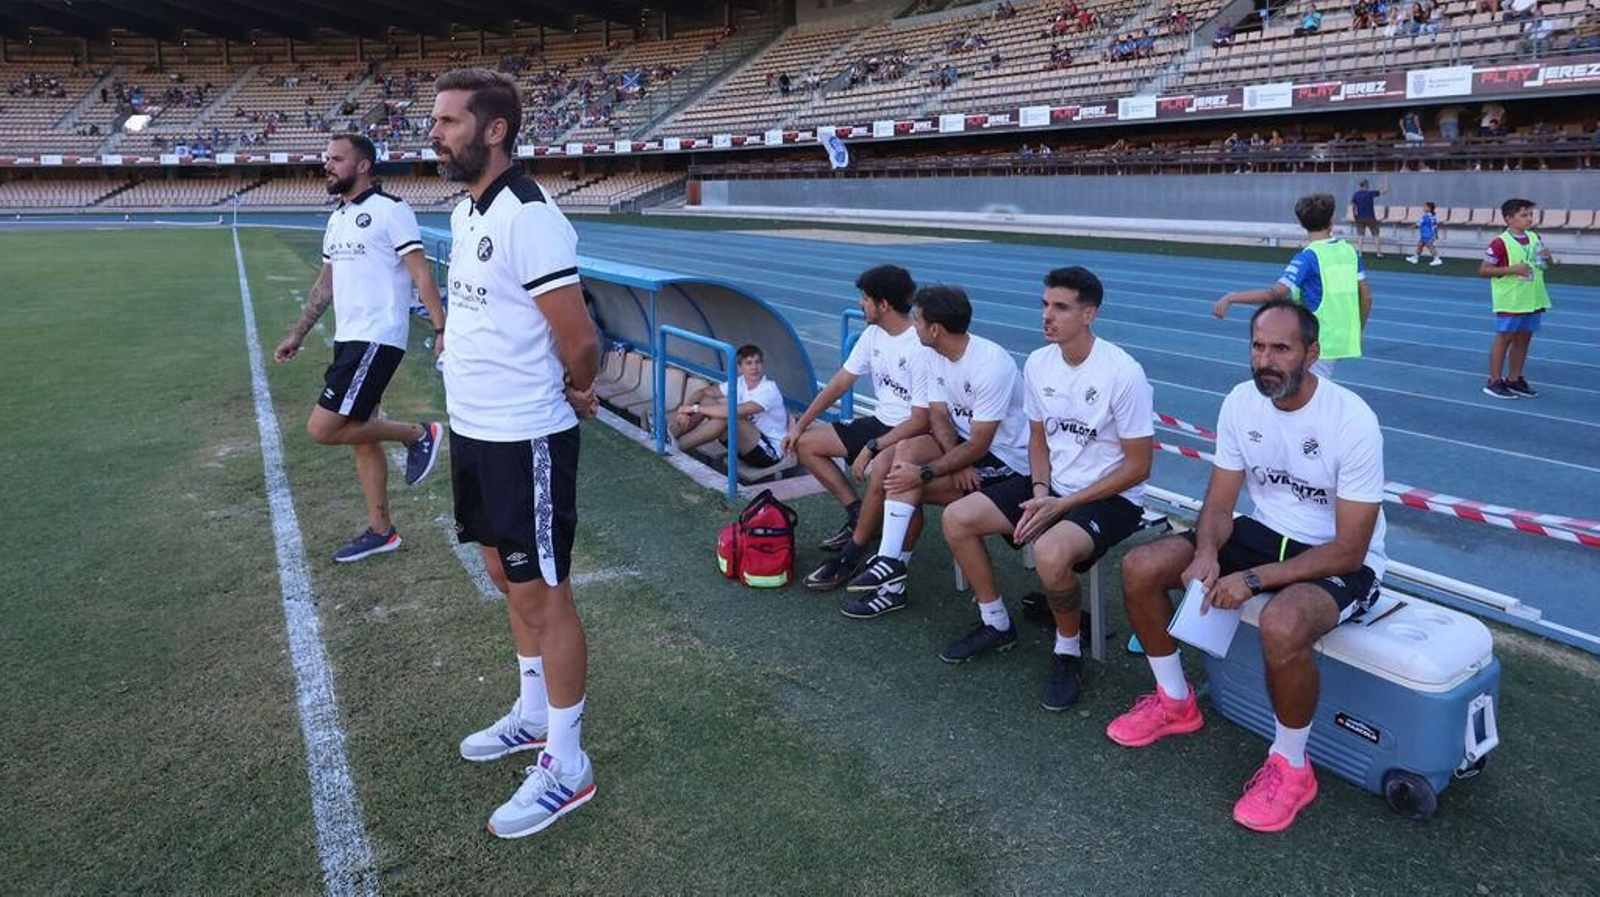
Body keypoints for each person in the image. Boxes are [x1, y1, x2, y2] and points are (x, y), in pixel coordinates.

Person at [1110, 299, 1388, 834]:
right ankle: (1175, 702)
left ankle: (1291, 765)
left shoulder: (1351, 419)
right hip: (1262, 533)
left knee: (1283, 623)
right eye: (1258, 346)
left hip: (1336, 554)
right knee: (1142, 566)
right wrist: (1209, 553)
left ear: (1312, 352)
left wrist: (1253, 580)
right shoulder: (1241, 402)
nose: (1266, 359)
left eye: (1281, 348)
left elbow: (1350, 548)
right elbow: (1218, 504)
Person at [428, 68, 602, 838]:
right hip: (474, 428)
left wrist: (577, 388)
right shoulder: (471, 210)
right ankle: (533, 713)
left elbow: (582, 341)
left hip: (525, 432)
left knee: (544, 593)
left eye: (449, 121)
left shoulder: (530, 216)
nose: (435, 133)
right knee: (502, 572)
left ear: (494, 129)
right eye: (435, 121)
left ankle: (568, 762)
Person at [937, 267, 1153, 709]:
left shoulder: (1123, 373)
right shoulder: (1038, 363)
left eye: (1061, 307)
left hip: (1112, 498)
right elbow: (1039, 439)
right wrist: (1039, 490)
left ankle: (1068, 651)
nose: (1047, 316)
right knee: (957, 518)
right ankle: (996, 623)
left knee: (1052, 553)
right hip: (1051, 485)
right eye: (1044, 305)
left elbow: (1138, 467)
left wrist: (1063, 503)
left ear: (1089, 314)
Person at [273, 133, 445, 562]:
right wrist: (299, 332)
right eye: (326, 159)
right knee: (361, 436)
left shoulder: (391, 212)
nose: (327, 166)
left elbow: (422, 275)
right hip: (349, 337)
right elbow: (325, 285)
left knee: (323, 428)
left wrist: (442, 329)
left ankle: (418, 434)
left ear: (364, 165)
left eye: (336, 159)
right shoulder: (338, 218)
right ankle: (382, 530)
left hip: (377, 336)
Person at [838, 285, 1032, 619]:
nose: (913, 325)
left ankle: (892, 580)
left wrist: (932, 470)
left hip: (1006, 460)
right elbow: (940, 415)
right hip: (963, 444)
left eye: (917, 319)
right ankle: (888, 562)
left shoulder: (991, 365)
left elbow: (981, 444)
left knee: (904, 480)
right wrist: (950, 460)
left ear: (935, 329)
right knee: (902, 455)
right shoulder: (931, 352)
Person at [786, 265, 929, 570]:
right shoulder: (872, 334)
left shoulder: (919, 345)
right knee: (807, 444)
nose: (861, 304)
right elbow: (840, 382)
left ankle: (857, 549)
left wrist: (873, 446)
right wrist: (801, 424)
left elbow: (923, 419)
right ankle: (857, 514)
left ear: (884, 304)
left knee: (881, 468)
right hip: (880, 420)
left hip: (909, 431)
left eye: (865, 298)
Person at [1214, 193, 1372, 379]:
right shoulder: (1350, 252)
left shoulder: (1308, 258)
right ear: (1331, 220)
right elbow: (1366, 296)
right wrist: (1358, 329)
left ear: (1301, 223)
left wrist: (1232, 297)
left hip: (1319, 342)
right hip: (1343, 339)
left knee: (1307, 395)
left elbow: (1275, 294)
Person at [1478, 198, 1555, 400]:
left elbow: (1543, 265)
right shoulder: (1500, 243)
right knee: (1505, 338)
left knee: (1524, 338)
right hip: (1511, 299)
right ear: (1509, 219)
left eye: (1530, 214)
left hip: (1532, 298)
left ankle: (1514, 379)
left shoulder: (1534, 237)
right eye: (1524, 215)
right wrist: (1512, 269)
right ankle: (1494, 381)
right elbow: (1484, 270)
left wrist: (1548, 258)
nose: (1529, 218)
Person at [670, 343, 788, 470]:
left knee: (728, 416)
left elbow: (736, 411)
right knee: (706, 401)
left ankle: (676, 446)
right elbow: (703, 393)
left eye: (757, 362)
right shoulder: (740, 382)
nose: (754, 367)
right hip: (744, 445)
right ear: (739, 368)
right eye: (749, 363)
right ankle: (669, 434)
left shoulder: (769, 389)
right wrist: (684, 410)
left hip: (769, 453)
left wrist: (694, 408)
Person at [1347, 178, 1385, 257]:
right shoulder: (1370, 194)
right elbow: (1384, 191)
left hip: (1359, 218)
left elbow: (1354, 207)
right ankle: (1378, 252)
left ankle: (1360, 252)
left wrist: (1355, 217)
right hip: (1370, 217)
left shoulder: (1355, 195)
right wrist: (1386, 181)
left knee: (1360, 235)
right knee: (1375, 235)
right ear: (1366, 185)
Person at [1406, 202, 1443, 266]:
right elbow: (1435, 226)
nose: (1423, 208)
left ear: (1429, 208)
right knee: (1420, 245)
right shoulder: (1433, 216)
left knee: (1430, 247)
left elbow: (1418, 224)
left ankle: (1437, 259)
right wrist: (1436, 234)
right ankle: (1415, 258)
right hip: (1425, 234)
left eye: (1425, 207)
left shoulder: (1426, 217)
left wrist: (1411, 227)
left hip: (1428, 235)